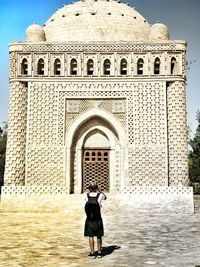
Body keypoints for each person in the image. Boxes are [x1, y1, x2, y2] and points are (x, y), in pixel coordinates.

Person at [84, 182, 107, 259]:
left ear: (89, 188)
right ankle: (99, 252)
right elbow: (105, 197)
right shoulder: (100, 196)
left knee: (91, 236)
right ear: (96, 188)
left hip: (90, 218)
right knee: (99, 236)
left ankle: (92, 252)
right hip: (98, 218)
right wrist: (100, 190)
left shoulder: (86, 196)